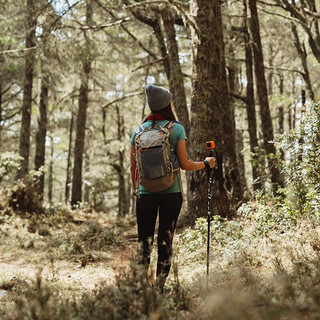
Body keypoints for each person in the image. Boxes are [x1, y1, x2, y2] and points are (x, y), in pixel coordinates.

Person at [130, 84, 215, 291]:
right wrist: (206, 164)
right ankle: (159, 287)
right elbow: (185, 165)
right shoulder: (176, 129)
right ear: (167, 104)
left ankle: (142, 287)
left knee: (144, 241)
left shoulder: (138, 132)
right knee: (165, 240)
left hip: (145, 194)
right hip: (171, 193)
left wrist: (137, 190)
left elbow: (133, 168)